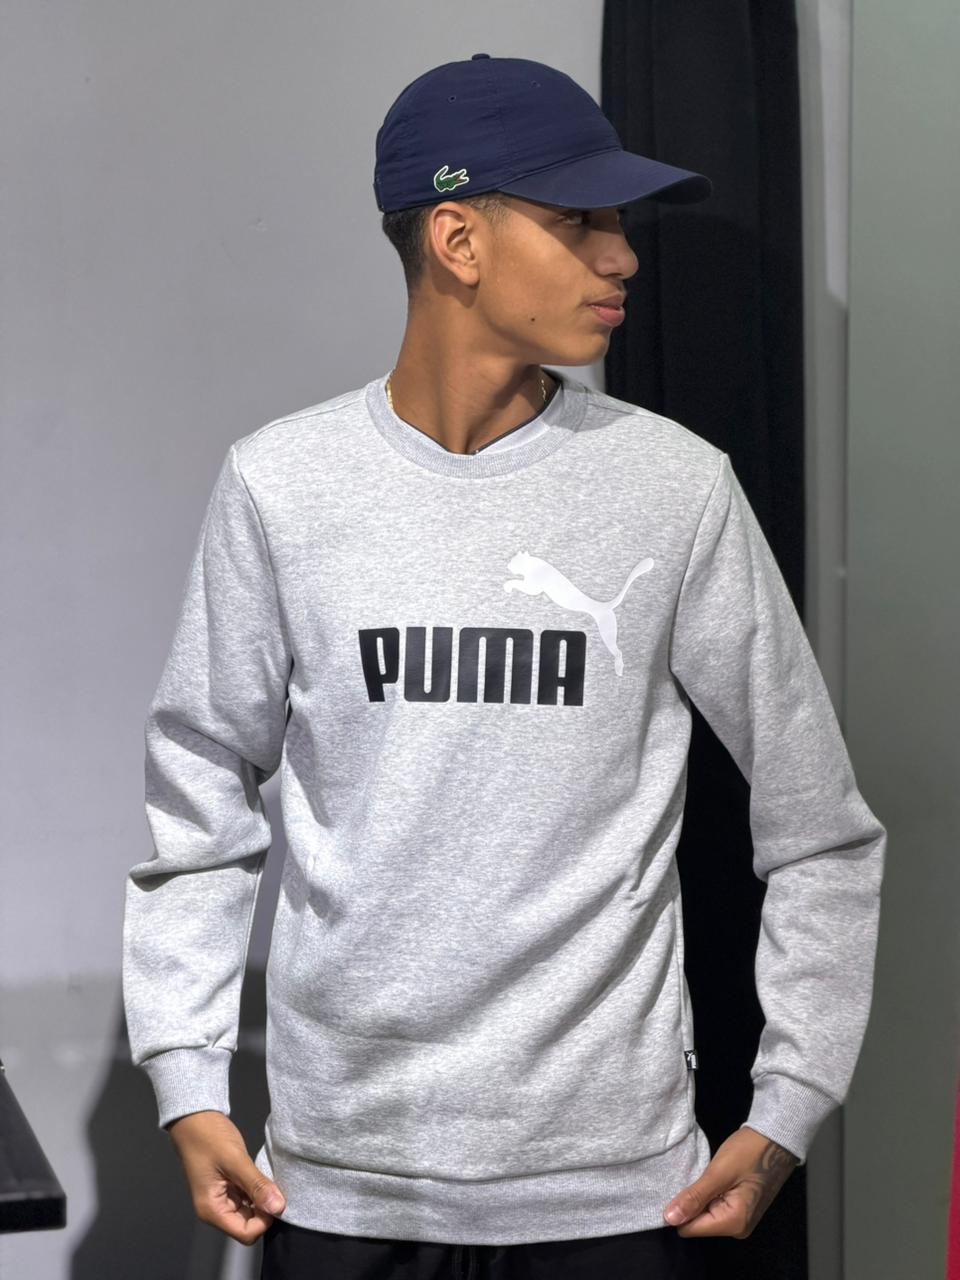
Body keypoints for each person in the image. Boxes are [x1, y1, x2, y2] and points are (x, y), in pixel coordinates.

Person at [121, 54, 887, 1280]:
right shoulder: (284, 485)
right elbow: (200, 792)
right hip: (343, 1185)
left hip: (614, 1196)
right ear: (458, 238)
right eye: (580, 220)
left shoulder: (672, 488)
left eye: (618, 224)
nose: (622, 257)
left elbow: (821, 831)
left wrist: (790, 1101)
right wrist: (185, 1073)